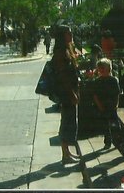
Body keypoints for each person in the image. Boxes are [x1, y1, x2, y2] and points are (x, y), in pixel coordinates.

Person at [52, 25, 81, 165]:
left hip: (70, 91)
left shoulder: (67, 50)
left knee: (69, 121)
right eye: (69, 33)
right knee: (67, 122)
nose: (71, 35)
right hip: (67, 93)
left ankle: (67, 152)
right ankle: (65, 154)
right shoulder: (60, 52)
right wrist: (72, 93)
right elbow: (63, 76)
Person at [92, 58, 120, 150]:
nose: (102, 71)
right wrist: (99, 105)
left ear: (109, 69)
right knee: (105, 125)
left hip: (111, 105)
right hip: (102, 105)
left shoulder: (113, 80)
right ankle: (107, 141)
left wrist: (116, 104)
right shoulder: (97, 81)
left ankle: (117, 140)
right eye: (100, 69)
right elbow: (95, 95)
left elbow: (117, 93)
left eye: (103, 68)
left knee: (115, 124)